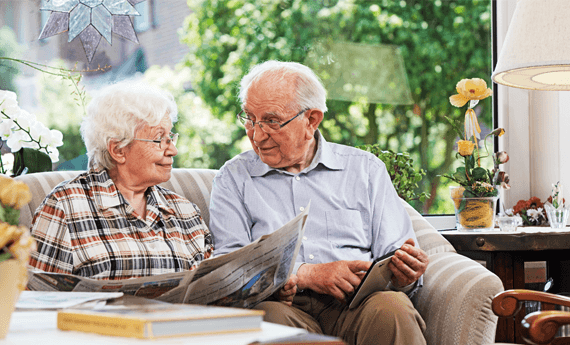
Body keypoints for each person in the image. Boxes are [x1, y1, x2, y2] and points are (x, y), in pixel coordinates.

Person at [209, 61, 429, 345]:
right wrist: (305, 274)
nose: (257, 134)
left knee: (393, 308)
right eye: (250, 118)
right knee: (266, 317)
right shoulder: (233, 178)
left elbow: (396, 257)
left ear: (311, 120)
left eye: (272, 121)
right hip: (284, 306)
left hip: (358, 305)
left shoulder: (365, 170)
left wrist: (406, 273)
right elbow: (229, 270)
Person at [29, 82, 213, 280]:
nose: (172, 150)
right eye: (159, 138)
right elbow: (36, 296)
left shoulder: (186, 212)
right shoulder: (64, 207)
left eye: (171, 137)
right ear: (118, 150)